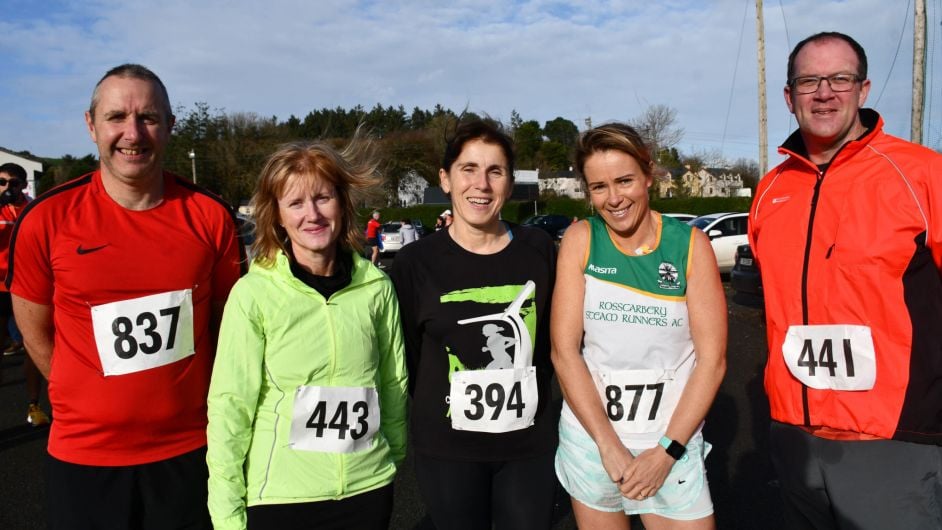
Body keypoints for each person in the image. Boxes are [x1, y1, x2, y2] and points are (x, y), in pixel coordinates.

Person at [8, 64, 244, 529]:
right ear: (91, 125)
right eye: (117, 117)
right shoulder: (46, 219)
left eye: (148, 118)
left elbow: (227, 327)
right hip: (85, 455)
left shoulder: (210, 216)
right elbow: (33, 329)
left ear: (170, 127)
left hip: (190, 451)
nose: (132, 133)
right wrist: (81, 394)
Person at [749, 31, 942, 529]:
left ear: (864, 89)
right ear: (789, 97)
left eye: (840, 78)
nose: (824, 92)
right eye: (809, 81)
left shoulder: (922, 174)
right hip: (794, 435)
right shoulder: (771, 189)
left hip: (892, 437)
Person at [207, 139, 408, 530]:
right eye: (295, 203)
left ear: (342, 203)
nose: (312, 214)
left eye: (322, 198)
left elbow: (393, 381)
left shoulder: (377, 287)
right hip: (283, 498)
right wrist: (227, 511)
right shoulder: (253, 294)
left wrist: (392, 457)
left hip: (367, 490)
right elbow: (230, 406)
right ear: (277, 215)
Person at [552, 123, 726, 529]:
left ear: (648, 175)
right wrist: (607, 445)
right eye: (598, 187)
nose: (613, 199)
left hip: (669, 442)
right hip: (594, 440)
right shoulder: (580, 239)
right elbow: (564, 352)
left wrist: (667, 451)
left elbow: (712, 360)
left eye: (625, 181)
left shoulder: (689, 244)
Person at [389, 120, 558, 530]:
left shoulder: (541, 251)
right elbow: (409, 357)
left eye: (494, 171)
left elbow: (556, 344)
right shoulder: (415, 264)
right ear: (445, 179)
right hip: (448, 449)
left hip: (528, 445)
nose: (481, 184)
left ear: (509, 182)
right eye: (468, 169)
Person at [0, 163, 49, 426]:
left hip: (26, 287)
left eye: (14, 183)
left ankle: (34, 404)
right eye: (2, 182)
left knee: (34, 345)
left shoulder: (34, 208)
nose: (8, 188)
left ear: (23, 185)